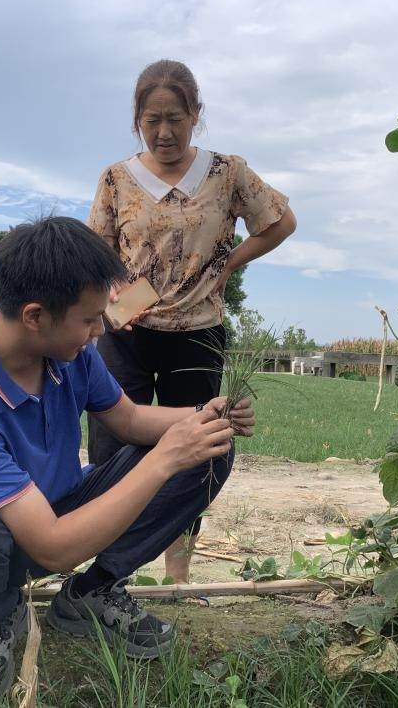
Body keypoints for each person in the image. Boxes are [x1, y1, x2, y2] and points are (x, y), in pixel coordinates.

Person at [0, 216, 256, 703]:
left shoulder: (70, 351)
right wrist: (163, 461)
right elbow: (50, 548)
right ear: (35, 316)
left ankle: (93, 592)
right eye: (89, 319)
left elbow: (131, 421)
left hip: (65, 503)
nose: (100, 330)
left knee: (207, 449)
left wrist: (202, 416)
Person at [87, 59, 296, 584]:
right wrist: (113, 288)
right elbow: (99, 252)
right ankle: (112, 571)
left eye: (176, 118)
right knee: (114, 447)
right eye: (152, 119)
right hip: (126, 330)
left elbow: (279, 222)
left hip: (199, 331)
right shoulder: (116, 179)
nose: (164, 132)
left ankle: (179, 575)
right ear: (138, 120)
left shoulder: (227, 173)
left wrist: (229, 262)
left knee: (196, 444)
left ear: (195, 114)